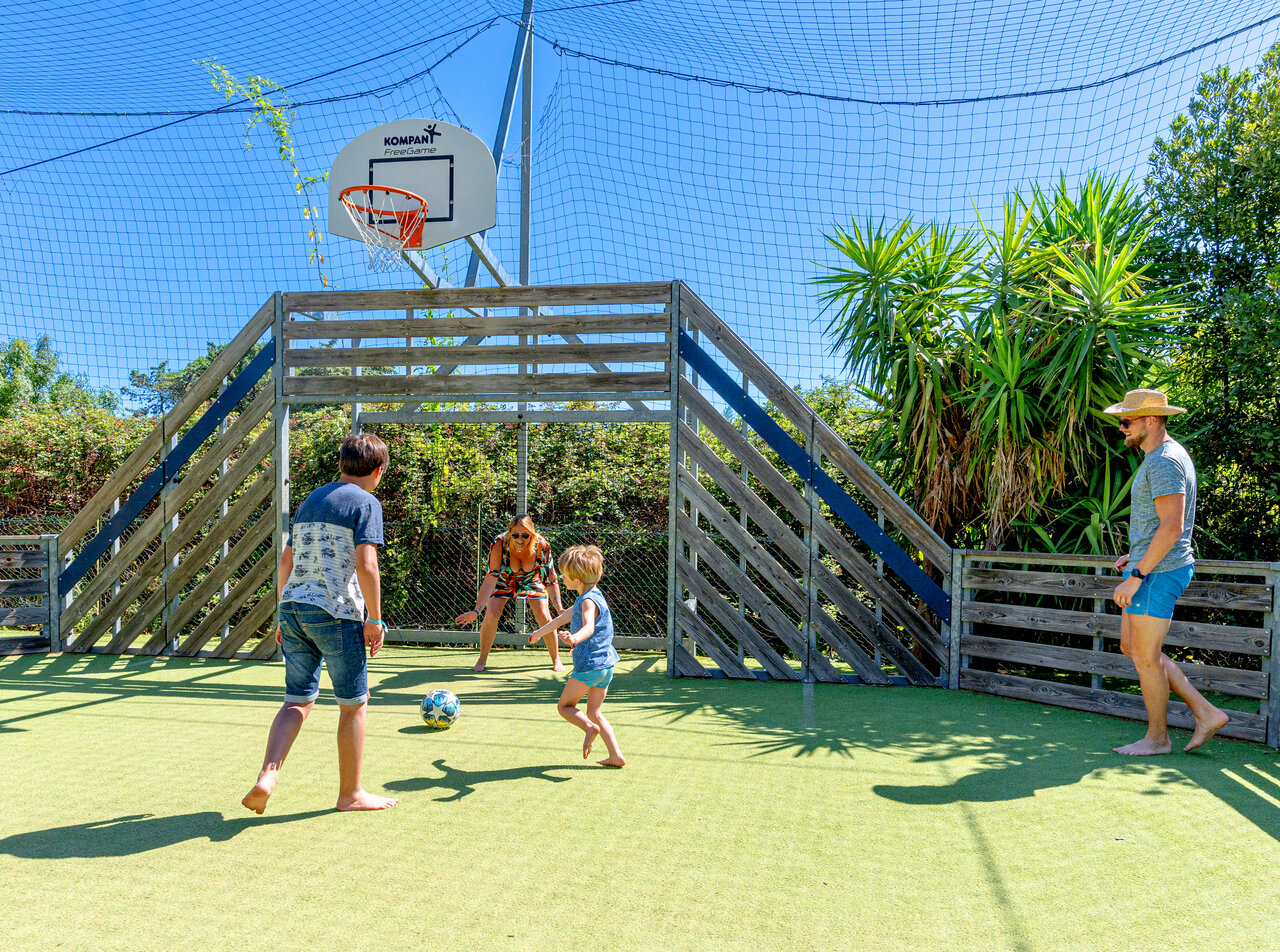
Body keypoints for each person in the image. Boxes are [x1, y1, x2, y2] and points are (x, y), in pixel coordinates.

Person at [242, 432, 399, 813]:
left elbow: (285, 561)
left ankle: (268, 774)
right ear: (378, 471)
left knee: (296, 700)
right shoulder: (367, 503)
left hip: (294, 607)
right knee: (352, 705)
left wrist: (283, 611)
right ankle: (351, 794)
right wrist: (375, 619)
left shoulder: (313, 498)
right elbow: (367, 565)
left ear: (341, 465)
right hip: (337, 613)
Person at [1105, 389, 1228, 755]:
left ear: (1152, 420)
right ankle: (1206, 712)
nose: (1122, 428)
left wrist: (1138, 573)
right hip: (1153, 565)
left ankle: (1158, 739)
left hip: (1158, 573)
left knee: (1145, 655)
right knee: (1135, 648)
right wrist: (1137, 555)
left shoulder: (1163, 461)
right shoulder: (1163, 457)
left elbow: (1173, 526)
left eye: (1127, 421)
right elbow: (1163, 525)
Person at [529, 544, 626, 767]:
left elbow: (589, 627)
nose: (562, 578)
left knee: (565, 707)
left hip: (589, 666)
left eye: (564, 575)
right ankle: (615, 755)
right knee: (595, 711)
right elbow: (563, 617)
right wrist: (539, 632)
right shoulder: (593, 595)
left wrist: (574, 639)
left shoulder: (587, 602)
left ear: (577, 581)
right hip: (606, 666)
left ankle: (588, 728)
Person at [454, 514, 566, 673]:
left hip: (531, 578)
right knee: (492, 613)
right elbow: (490, 579)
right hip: (504, 579)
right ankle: (482, 658)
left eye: (525, 535)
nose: (520, 538)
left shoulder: (541, 545)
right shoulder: (499, 543)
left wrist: (560, 609)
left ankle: (556, 659)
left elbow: (550, 580)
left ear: (532, 534)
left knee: (543, 614)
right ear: (509, 533)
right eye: (515, 535)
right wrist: (476, 610)